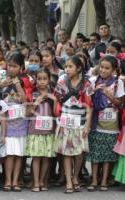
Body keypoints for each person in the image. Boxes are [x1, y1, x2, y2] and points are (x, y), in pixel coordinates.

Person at [54, 55, 93, 193]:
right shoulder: (62, 82)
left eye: (70, 66)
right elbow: (57, 100)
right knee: (66, 153)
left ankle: (76, 176)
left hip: (80, 122)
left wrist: (88, 125)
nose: (67, 69)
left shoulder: (86, 84)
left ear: (79, 68)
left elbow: (89, 106)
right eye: (66, 67)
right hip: (65, 122)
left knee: (79, 153)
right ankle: (69, 181)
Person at [87, 56, 124, 191]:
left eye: (107, 68)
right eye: (101, 67)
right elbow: (86, 98)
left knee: (108, 154)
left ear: (114, 70)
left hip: (112, 125)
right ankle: (94, 179)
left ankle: (104, 180)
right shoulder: (93, 80)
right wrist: (95, 90)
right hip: (97, 123)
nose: (103, 70)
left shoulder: (118, 83)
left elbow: (120, 104)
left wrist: (110, 96)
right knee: (95, 153)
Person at [26, 67, 57, 192]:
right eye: (39, 79)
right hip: (35, 130)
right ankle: (36, 182)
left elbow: (56, 113)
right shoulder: (32, 92)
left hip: (49, 130)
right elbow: (27, 113)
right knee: (37, 157)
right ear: (35, 79)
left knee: (46, 157)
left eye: (45, 79)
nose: (42, 81)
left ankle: (43, 181)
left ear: (49, 80)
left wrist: (54, 101)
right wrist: (36, 102)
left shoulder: (53, 92)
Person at [0, 52, 27, 192]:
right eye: (9, 65)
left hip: (21, 121)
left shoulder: (25, 80)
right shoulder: (0, 77)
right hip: (6, 121)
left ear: (21, 67)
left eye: (15, 66)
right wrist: (1, 85)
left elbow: (25, 100)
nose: (11, 69)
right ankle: (7, 180)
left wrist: (18, 86)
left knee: (18, 154)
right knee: (9, 154)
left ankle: (15, 181)